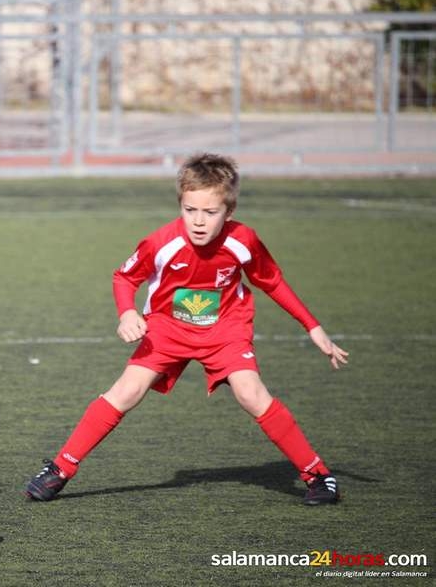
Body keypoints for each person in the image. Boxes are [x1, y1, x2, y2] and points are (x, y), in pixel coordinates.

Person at [24, 153, 349, 506]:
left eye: (210, 213)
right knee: (127, 390)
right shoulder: (161, 242)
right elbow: (124, 276)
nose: (198, 221)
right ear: (180, 204)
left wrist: (312, 326)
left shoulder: (244, 241)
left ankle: (318, 475)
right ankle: (60, 468)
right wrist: (127, 313)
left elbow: (272, 281)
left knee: (251, 394)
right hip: (167, 328)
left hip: (226, 327)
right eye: (190, 210)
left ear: (229, 210)